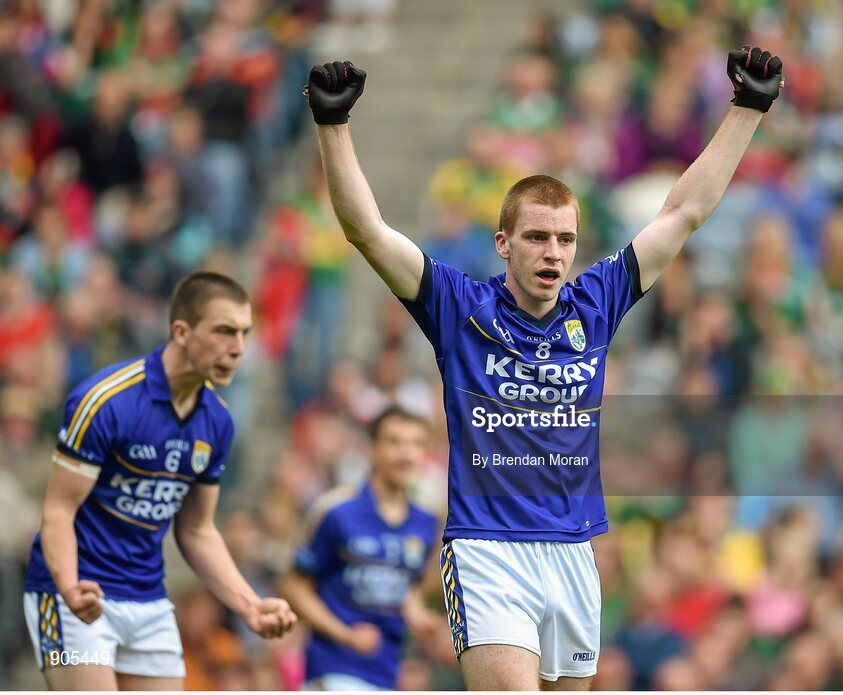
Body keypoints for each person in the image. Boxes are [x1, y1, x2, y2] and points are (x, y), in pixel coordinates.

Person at [305, 46, 783, 690]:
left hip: (574, 554)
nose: (552, 252)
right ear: (503, 244)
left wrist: (747, 108)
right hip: (487, 550)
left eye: (564, 239)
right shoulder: (459, 307)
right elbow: (366, 230)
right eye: (536, 237)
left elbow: (683, 213)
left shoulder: (597, 303)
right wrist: (333, 126)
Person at [22, 271, 298, 691]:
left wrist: (250, 604)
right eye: (224, 331)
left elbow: (197, 530)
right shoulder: (106, 401)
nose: (238, 348)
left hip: (148, 602)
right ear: (182, 332)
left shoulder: (218, 421)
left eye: (245, 333)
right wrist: (69, 586)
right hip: (76, 596)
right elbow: (59, 510)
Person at [280, 405, 449, 691]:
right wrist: (345, 634)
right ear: (371, 449)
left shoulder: (425, 522)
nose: (406, 454)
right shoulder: (336, 511)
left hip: (387, 672)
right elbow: (295, 588)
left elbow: (407, 588)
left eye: (416, 444)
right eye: (395, 442)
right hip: (334, 668)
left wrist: (419, 618)